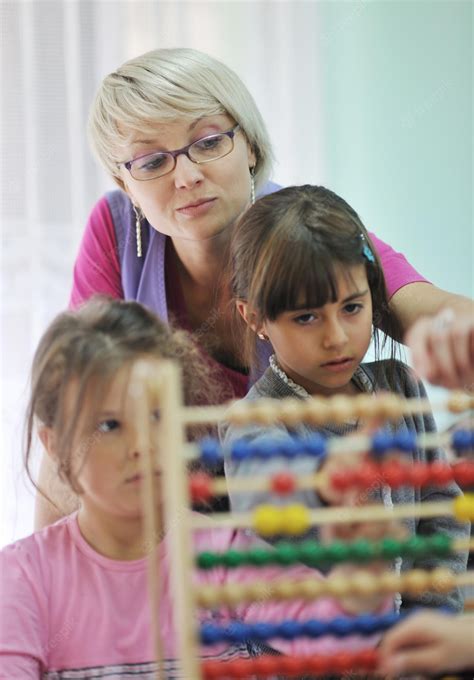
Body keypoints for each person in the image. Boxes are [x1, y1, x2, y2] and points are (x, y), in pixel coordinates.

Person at [37, 46, 473, 528]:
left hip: (304, 526)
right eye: (152, 160)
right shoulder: (115, 233)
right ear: (125, 181)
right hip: (173, 524)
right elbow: (73, 413)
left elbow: (421, 304)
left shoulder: (301, 228)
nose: (186, 176)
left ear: (250, 147)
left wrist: (455, 327)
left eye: (207, 142)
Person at [0, 297, 393, 678]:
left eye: (157, 415)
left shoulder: (219, 554)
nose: (143, 445)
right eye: (109, 425)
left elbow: (341, 637)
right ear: (56, 445)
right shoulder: (23, 579)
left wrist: (364, 559)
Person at [222, 184, 469, 613]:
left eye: (352, 308)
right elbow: (264, 492)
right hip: (318, 651)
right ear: (254, 317)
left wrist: (431, 614)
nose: (335, 337)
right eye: (306, 317)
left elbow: (440, 512)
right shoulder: (253, 419)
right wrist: (322, 479)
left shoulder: (399, 387)